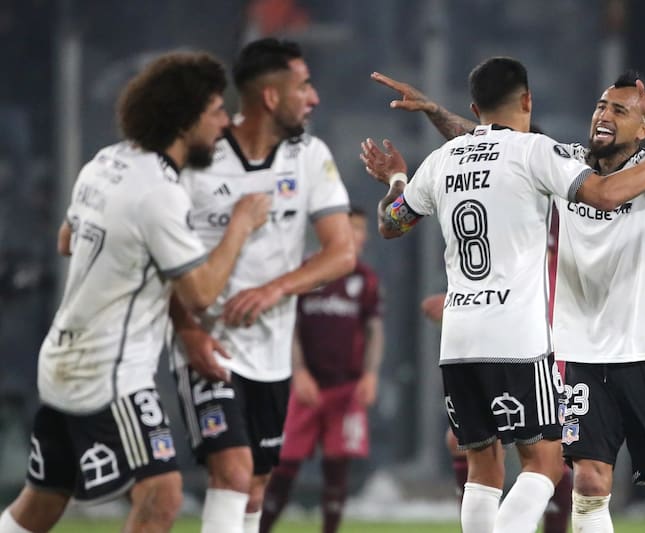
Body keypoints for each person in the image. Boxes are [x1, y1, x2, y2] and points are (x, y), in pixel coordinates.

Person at [361, 57, 645, 533]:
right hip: (577, 353)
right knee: (588, 482)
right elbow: (498, 146)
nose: (604, 116)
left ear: (641, 126)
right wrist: (433, 110)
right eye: (600, 106)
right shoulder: (562, 161)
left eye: (620, 110)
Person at [0, 51, 271, 533]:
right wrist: (241, 225)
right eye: (215, 111)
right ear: (185, 120)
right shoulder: (158, 193)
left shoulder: (106, 161)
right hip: (109, 372)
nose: (225, 122)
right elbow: (202, 294)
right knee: (161, 497)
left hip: (63, 358)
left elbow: (67, 241)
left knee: (39, 504)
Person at [168, 38, 355, 533]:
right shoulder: (198, 157)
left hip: (271, 353)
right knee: (231, 470)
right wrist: (187, 332)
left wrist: (274, 290)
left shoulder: (310, 156)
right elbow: (162, 253)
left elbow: (341, 253)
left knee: (255, 484)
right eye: (303, 86)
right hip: (209, 343)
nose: (313, 97)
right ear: (271, 97)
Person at [420, 205, 572, 533]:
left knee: (551, 452)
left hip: (548, 353)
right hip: (510, 348)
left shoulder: (562, 251)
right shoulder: (518, 242)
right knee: (534, 454)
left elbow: (396, 218)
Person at [260, 206, 384, 533]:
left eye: (361, 230)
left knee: (337, 470)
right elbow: (291, 325)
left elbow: (374, 330)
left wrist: (370, 374)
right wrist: (298, 371)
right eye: (351, 228)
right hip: (306, 387)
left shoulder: (365, 279)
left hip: (346, 389)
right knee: (283, 467)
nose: (359, 237)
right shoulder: (307, 271)